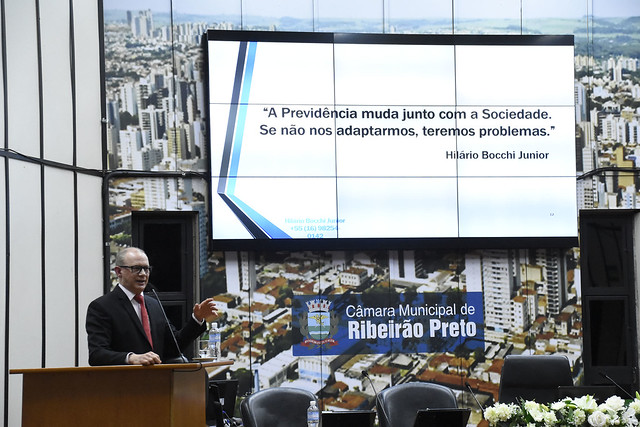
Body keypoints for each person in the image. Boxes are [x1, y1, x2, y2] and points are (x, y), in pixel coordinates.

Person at [86, 247, 218, 366]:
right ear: (119, 271)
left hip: (158, 383)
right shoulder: (102, 307)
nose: (143, 274)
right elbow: (97, 355)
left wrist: (197, 319)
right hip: (123, 385)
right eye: (136, 268)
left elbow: (174, 347)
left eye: (146, 269)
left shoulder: (154, 304)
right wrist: (131, 358)